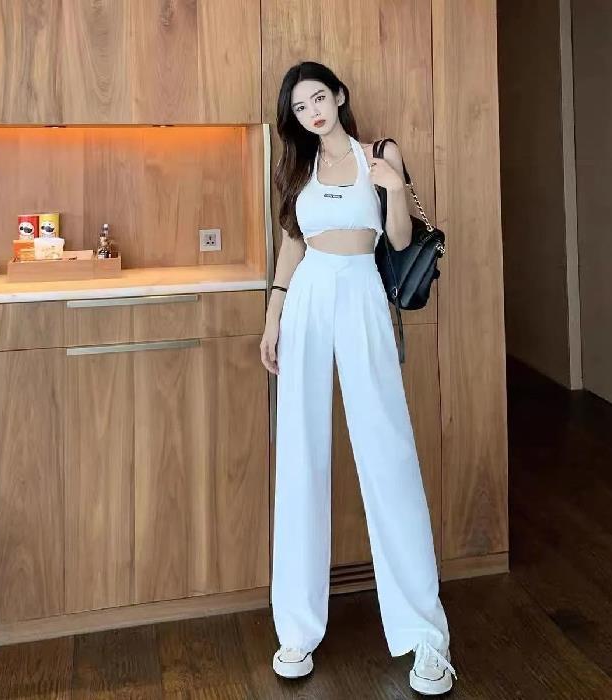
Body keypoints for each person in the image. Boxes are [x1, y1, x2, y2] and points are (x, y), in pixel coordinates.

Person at [259, 60, 458, 696]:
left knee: (387, 451)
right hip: (308, 297)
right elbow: (292, 245)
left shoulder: (380, 153)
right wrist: (273, 317)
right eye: (300, 107)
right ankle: (296, 630)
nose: (312, 112)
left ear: (340, 96)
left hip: (364, 294)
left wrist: (394, 184)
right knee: (301, 456)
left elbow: (397, 239)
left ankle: (425, 635)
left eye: (319, 98)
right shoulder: (299, 167)